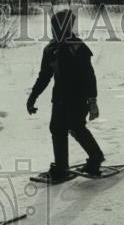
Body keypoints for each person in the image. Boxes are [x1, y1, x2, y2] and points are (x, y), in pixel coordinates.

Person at [26, 9, 104, 180]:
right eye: (53, 28)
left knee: (76, 127)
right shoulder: (50, 49)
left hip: (78, 97)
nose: (55, 31)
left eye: (59, 28)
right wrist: (33, 96)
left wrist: (92, 101)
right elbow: (44, 76)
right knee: (57, 129)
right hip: (59, 98)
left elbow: (89, 76)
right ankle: (61, 167)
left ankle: (96, 158)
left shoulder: (78, 48)